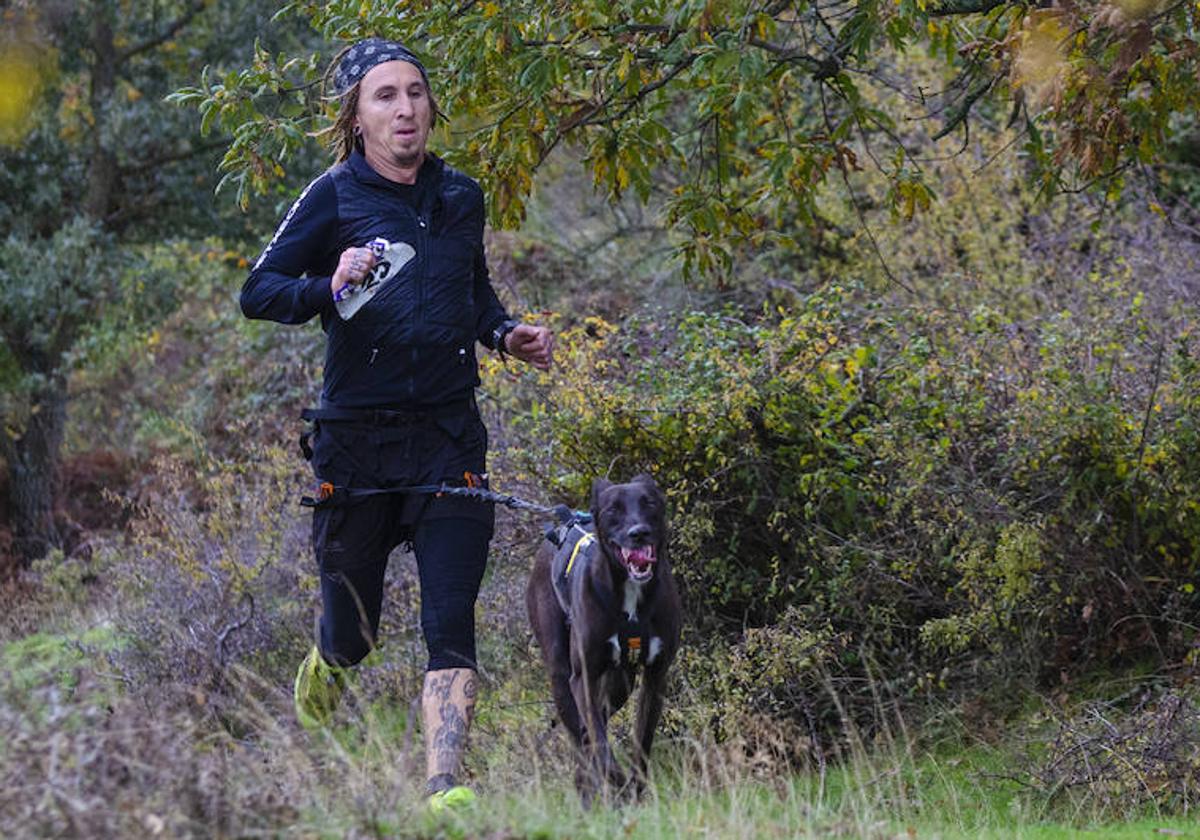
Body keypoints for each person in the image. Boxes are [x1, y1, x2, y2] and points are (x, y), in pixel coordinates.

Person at [239, 37, 554, 807]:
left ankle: (445, 790)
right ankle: (327, 663)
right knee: (356, 632)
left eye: (415, 92)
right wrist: (327, 283)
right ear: (356, 115)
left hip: (449, 437)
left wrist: (504, 334)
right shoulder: (334, 196)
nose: (406, 108)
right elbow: (259, 291)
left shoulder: (461, 197)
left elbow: (470, 292)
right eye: (386, 96)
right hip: (357, 443)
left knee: (452, 617)